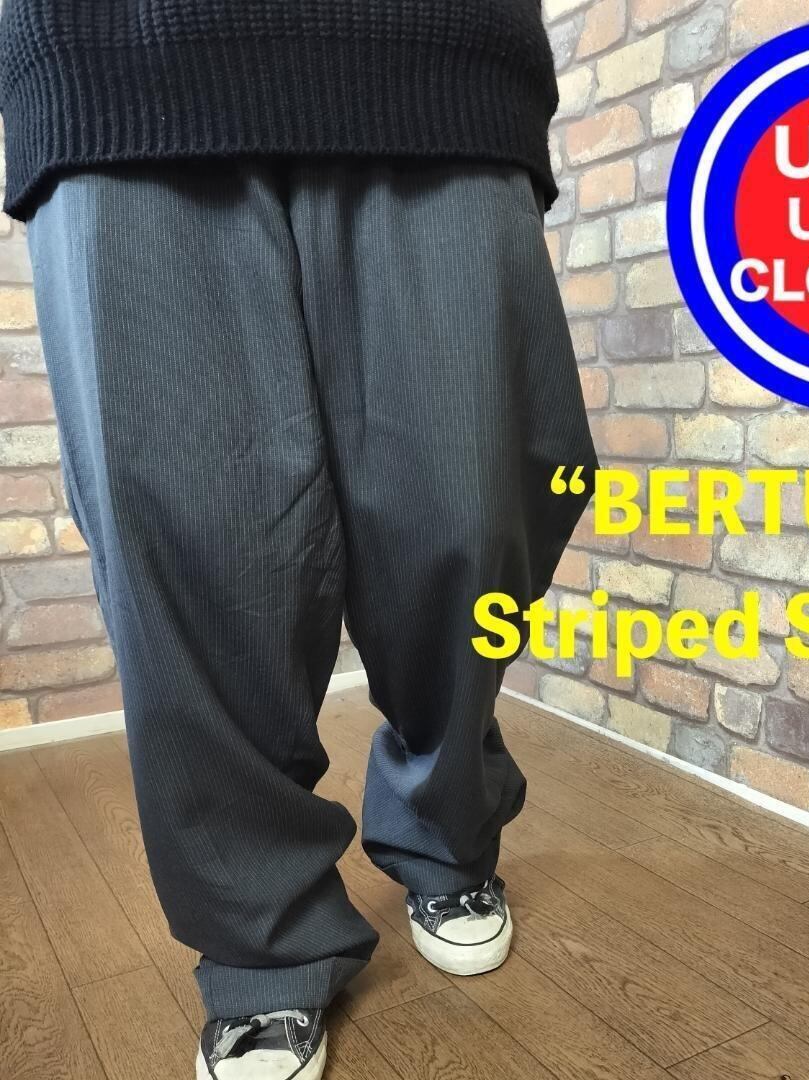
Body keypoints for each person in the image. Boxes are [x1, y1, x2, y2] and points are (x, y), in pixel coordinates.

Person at [0, 3, 597, 1078]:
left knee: (474, 509)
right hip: (115, 56)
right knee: (191, 546)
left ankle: (447, 823)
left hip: (434, 53)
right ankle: (262, 936)